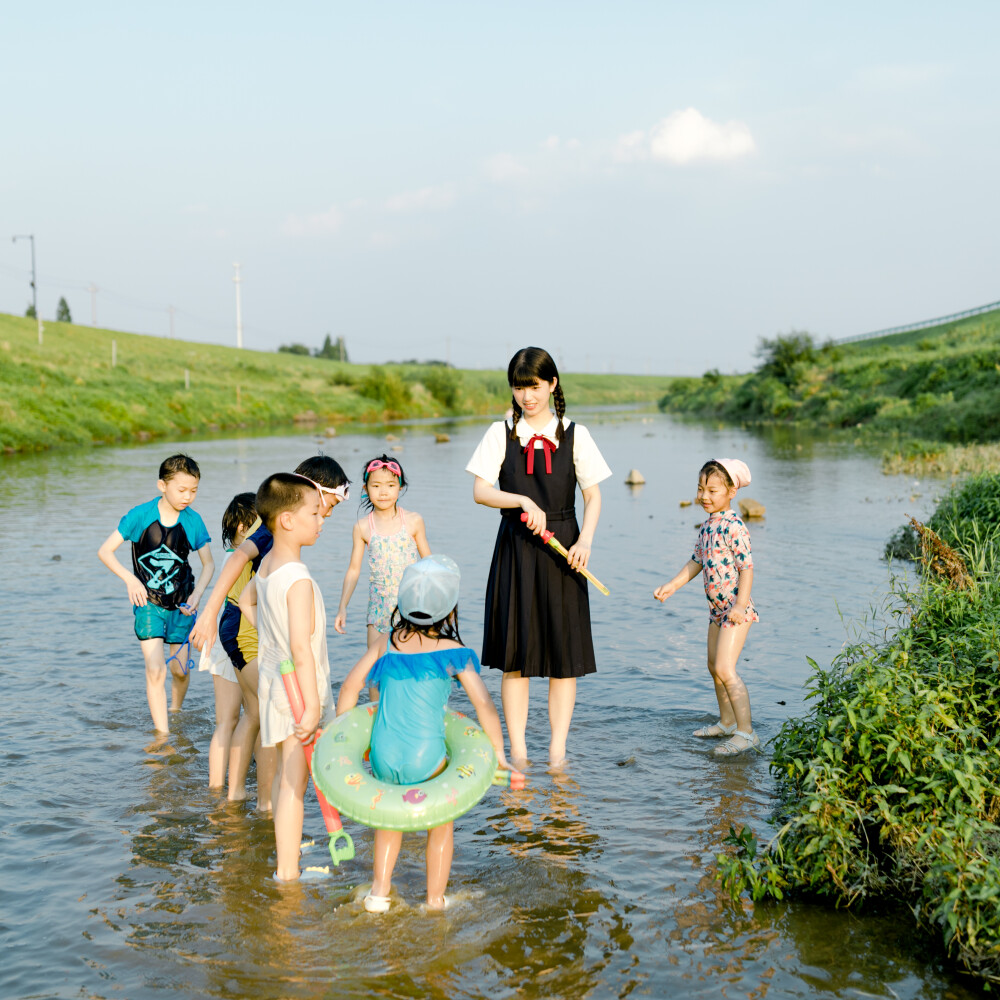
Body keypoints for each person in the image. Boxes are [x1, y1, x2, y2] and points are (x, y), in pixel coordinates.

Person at [336, 554, 510, 912]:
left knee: (388, 822)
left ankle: (378, 894)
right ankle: (434, 900)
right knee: (441, 825)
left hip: (383, 754)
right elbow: (485, 707)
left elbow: (349, 689)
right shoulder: (452, 651)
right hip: (425, 757)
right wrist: (500, 757)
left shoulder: (386, 643)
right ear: (449, 611)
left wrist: (343, 744)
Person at [466, 347, 611, 767]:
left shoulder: (574, 434)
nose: (526, 396)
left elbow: (594, 494)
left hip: (565, 546)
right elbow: (480, 491)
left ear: (551, 384)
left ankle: (557, 752)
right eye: (518, 386)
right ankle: (520, 752)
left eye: (534, 386)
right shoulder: (501, 432)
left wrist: (585, 542)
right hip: (515, 545)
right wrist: (522, 500)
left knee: (563, 657)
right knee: (517, 656)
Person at [237, 473, 333, 882]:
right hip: (298, 693)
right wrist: (311, 706)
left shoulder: (268, 566)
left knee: (283, 782)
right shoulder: (298, 579)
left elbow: (245, 601)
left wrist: (269, 637)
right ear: (288, 520)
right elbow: (301, 648)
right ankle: (288, 874)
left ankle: (285, 861)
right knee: (295, 784)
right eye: (315, 512)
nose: (322, 518)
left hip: (276, 682)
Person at [98, 454, 215, 735]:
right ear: (162, 485)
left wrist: (198, 595)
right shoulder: (140, 515)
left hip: (182, 604)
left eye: (194, 490)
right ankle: (163, 735)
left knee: (180, 671)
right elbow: (105, 551)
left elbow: (209, 564)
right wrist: (130, 580)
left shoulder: (193, 521)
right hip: (148, 604)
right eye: (182, 490)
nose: (188, 497)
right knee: (155, 670)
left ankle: (175, 710)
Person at [189, 455, 348, 656]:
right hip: (243, 629)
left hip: (244, 624)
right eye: (331, 505)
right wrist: (209, 614)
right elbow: (239, 557)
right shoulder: (273, 525)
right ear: (314, 492)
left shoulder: (283, 524)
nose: (329, 514)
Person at [654, 458, 760, 755]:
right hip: (717, 611)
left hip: (736, 610)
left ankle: (747, 733)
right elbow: (697, 561)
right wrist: (672, 585)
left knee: (727, 668)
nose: (704, 496)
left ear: (731, 492)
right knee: (713, 667)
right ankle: (727, 722)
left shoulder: (734, 526)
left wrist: (739, 605)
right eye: (701, 489)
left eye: (713, 490)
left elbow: (747, 568)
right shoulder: (708, 525)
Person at [205, 492, 270, 804]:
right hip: (238, 638)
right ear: (246, 525)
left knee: (235, 719)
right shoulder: (248, 557)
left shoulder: (237, 556)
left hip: (224, 638)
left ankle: (218, 788)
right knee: (253, 715)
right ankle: (251, 786)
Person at [334, 455, 430, 658]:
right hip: (378, 612)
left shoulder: (413, 521)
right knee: (376, 673)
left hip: (412, 608)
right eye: (376, 485)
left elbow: (430, 565)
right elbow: (353, 569)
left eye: (390, 485)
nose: (383, 492)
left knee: (411, 671)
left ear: (400, 487)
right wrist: (342, 607)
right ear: (365, 489)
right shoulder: (362, 527)